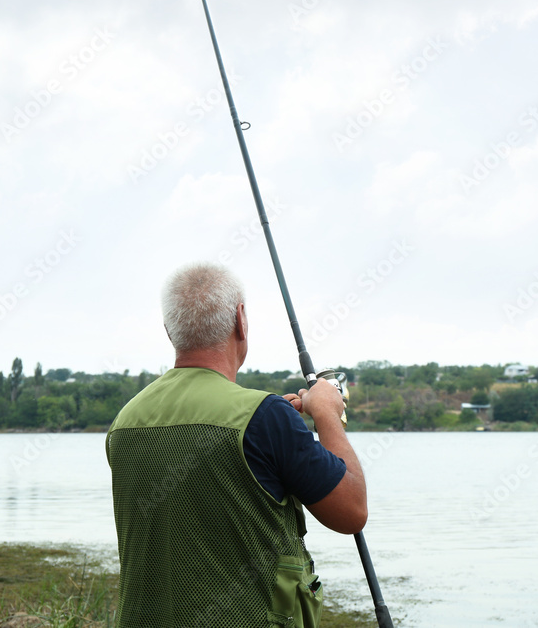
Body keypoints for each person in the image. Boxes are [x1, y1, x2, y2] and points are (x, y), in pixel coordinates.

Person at [106, 262, 366, 628]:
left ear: (170, 331)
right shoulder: (265, 416)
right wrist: (326, 414)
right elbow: (351, 513)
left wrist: (282, 435)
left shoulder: (125, 422)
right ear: (241, 320)